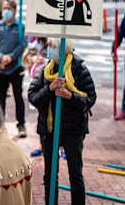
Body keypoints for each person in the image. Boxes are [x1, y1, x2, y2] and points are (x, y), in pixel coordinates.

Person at [28, 38, 96, 205]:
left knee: (76, 173)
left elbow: (90, 99)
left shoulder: (79, 69)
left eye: (52, 46)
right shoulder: (45, 70)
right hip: (49, 129)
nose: (48, 48)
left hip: (73, 129)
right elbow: (33, 97)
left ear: (62, 49)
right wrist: (49, 89)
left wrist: (70, 96)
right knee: (50, 173)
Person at [0, 0, 28, 138]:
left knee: (18, 96)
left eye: (9, 8)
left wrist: (11, 57)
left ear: (14, 10)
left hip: (15, 68)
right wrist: (1, 57)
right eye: (4, 8)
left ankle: (21, 124)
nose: (6, 11)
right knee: (0, 98)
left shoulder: (20, 27)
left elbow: (23, 45)